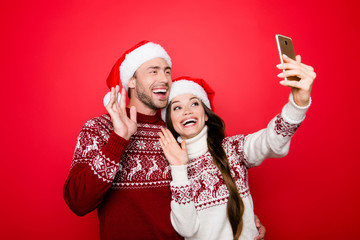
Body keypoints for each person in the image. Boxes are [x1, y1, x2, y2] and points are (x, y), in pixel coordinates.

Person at [63, 40, 266, 240]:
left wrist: (243, 222)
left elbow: (214, 185)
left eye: (167, 71)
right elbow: (78, 202)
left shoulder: (178, 131)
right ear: (131, 81)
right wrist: (119, 139)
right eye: (153, 71)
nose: (164, 78)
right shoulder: (100, 129)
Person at [158, 55, 315, 240]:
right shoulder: (166, 167)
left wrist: (298, 104)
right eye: (177, 108)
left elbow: (271, 140)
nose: (187, 111)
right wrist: (178, 168)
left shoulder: (233, 149)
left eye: (194, 103)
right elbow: (186, 230)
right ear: (169, 121)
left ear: (206, 114)